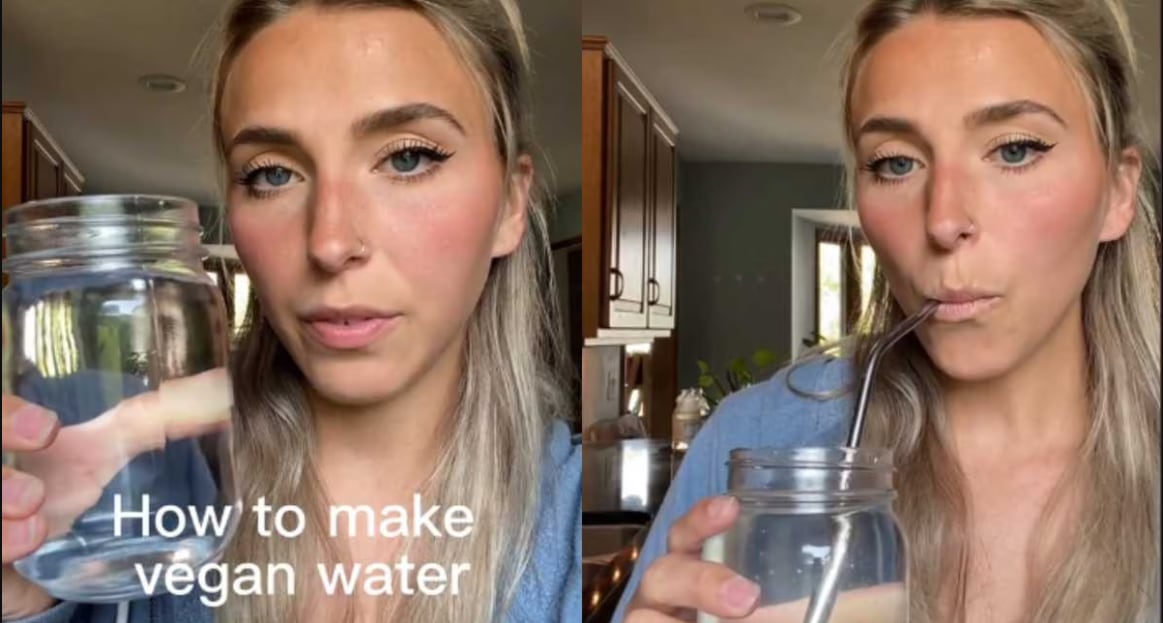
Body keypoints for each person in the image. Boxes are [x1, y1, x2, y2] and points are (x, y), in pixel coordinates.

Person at [0, 1, 580, 622]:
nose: (329, 242)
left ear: (511, 205)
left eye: (407, 158)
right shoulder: (140, 513)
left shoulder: (590, 537)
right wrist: (23, 604)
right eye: (273, 174)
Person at [613, 1, 1159, 622]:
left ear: (1118, 192)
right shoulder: (750, 445)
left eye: (1014, 150)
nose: (943, 220)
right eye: (896, 163)